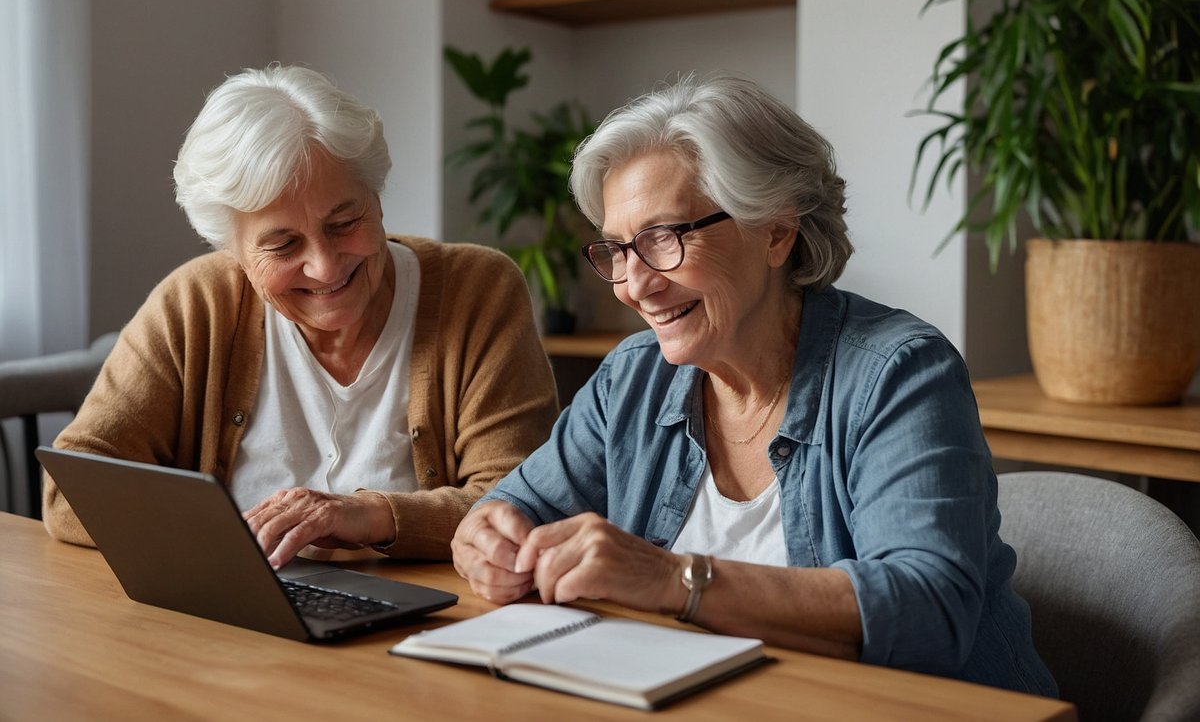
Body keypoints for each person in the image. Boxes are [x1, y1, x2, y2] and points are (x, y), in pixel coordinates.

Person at [451, 74, 1057, 696]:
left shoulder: (899, 374)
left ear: (775, 231)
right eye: (616, 250)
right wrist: (489, 539)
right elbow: (513, 508)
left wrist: (671, 579)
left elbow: (931, 610)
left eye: (663, 238)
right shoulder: (634, 377)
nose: (635, 284)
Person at [45, 64, 558, 567]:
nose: (325, 265)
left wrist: (372, 514)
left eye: (345, 222)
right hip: (241, 624)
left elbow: (520, 503)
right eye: (283, 244)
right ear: (235, 253)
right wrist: (232, 543)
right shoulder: (196, 303)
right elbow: (72, 492)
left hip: (432, 620)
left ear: (376, 199)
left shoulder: (479, 290)